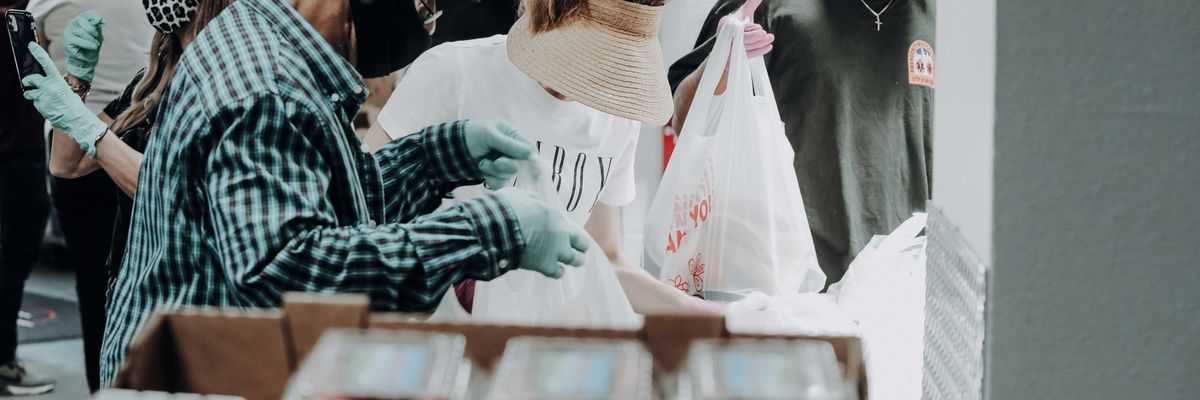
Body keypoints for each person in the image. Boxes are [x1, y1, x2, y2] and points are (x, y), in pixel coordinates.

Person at [18, 0, 589, 385]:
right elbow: (292, 272)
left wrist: (442, 154)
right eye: (420, 5)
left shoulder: (269, 51)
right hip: (197, 375)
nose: (426, 22)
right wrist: (487, 230)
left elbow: (334, 201)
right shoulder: (264, 88)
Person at [362, 0, 710, 314]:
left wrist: (699, 312)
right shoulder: (455, 73)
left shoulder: (616, 116)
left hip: (542, 342)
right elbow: (360, 208)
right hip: (437, 335)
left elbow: (605, 258)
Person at [19, 1, 224, 391]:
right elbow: (68, 164)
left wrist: (88, 129)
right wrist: (76, 82)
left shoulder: (223, 80)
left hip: (187, 297)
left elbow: (173, 193)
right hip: (132, 288)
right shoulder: (153, 77)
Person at [669, 0, 934, 287]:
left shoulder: (946, 20)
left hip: (905, 287)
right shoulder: (765, 6)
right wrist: (721, 63)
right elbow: (685, 121)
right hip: (790, 288)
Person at [0, 1, 55, 395]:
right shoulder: (17, 21)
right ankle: (4, 361)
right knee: (13, 258)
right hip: (17, 152)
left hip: (21, 146)